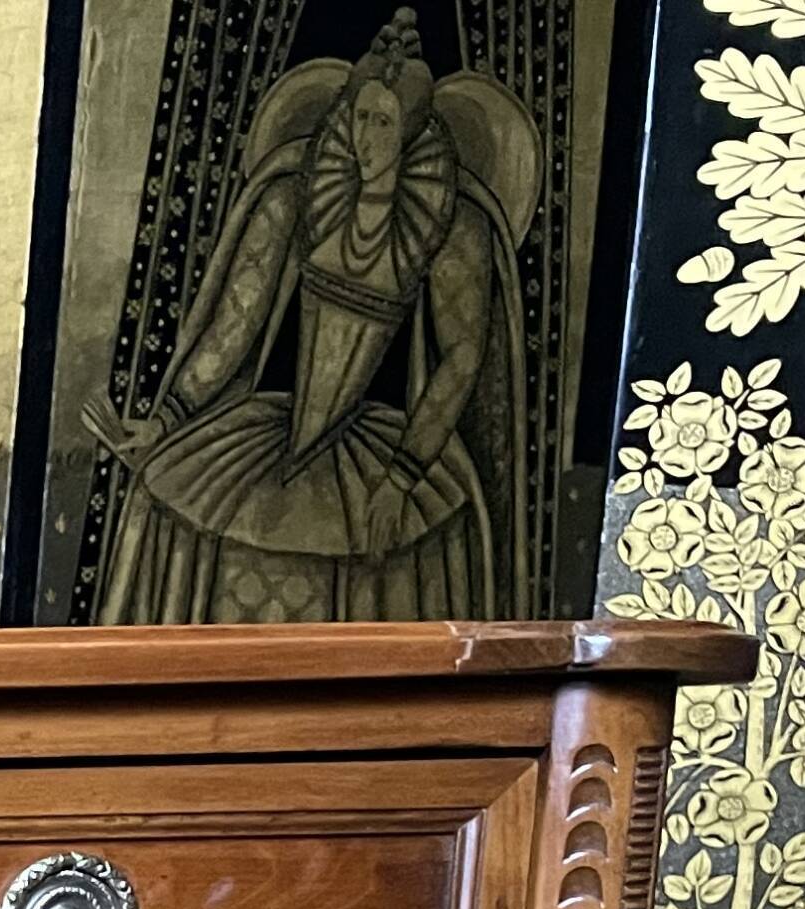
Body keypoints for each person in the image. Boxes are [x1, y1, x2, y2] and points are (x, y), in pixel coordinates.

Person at [88, 13, 535, 625]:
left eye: (385, 123)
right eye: (361, 118)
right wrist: (166, 421)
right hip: (273, 435)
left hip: (386, 453)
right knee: (169, 497)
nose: (368, 138)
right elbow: (232, 326)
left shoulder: (453, 224)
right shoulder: (293, 195)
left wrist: (403, 478)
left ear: (411, 130)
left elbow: (461, 359)